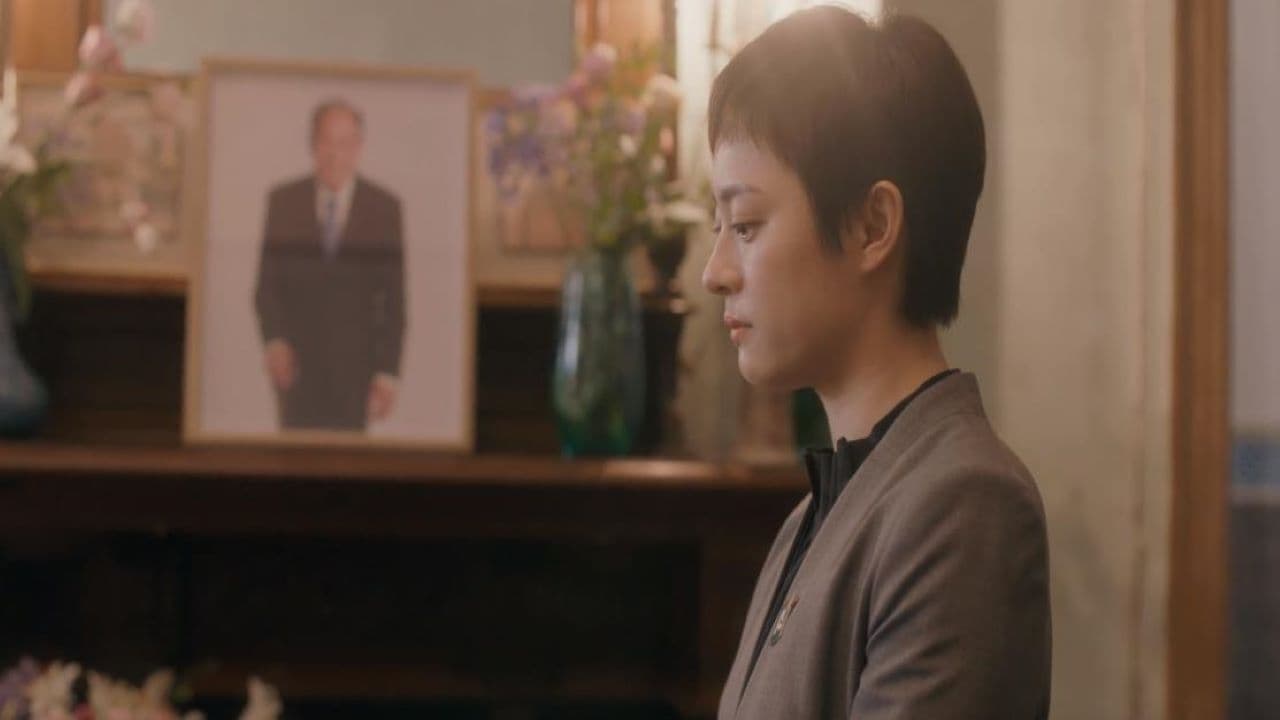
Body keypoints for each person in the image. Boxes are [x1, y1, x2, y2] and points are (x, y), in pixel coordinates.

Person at [701, 8, 1051, 718]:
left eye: (746, 226)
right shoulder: (811, 517)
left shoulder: (962, 503)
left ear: (872, 227)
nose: (715, 271)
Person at [254, 99, 406, 432]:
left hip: (357, 374)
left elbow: (395, 302)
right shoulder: (283, 202)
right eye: (327, 142)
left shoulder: (384, 208)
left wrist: (388, 373)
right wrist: (275, 342)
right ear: (312, 144)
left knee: (350, 461)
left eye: (345, 143)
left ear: (359, 147)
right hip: (295, 373)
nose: (335, 154)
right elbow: (266, 287)